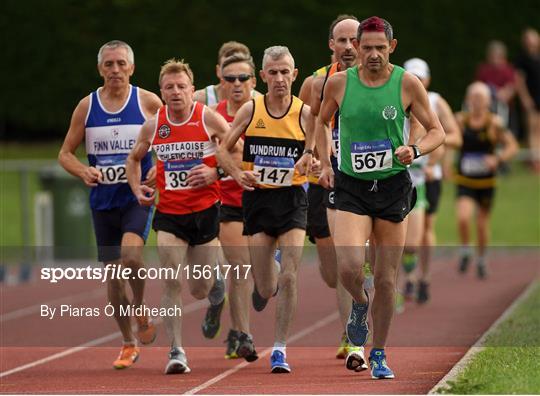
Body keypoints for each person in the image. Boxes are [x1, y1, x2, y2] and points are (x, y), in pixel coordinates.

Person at [316, 16, 445, 379]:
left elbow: (438, 131)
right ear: (355, 47)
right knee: (349, 267)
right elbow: (320, 121)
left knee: (387, 280)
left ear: (392, 46)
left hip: (391, 188)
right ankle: (359, 302)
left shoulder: (407, 83)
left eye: (380, 47)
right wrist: (320, 156)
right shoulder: (340, 83)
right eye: (366, 47)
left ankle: (379, 353)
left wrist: (415, 149)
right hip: (352, 187)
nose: (372, 54)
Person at [58, 40, 162, 370]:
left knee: (132, 256)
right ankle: (128, 342)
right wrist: (82, 169)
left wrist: (158, 166)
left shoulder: (147, 102)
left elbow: (170, 138)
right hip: (103, 201)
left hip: (136, 196)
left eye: (121, 64)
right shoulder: (87, 107)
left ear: (131, 67)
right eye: (109, 64)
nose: (115, 70)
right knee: (114, 279)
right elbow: (65, 153)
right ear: (100, 69)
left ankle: (141, 305)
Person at [126, 59, 228, 374]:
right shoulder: (154, 124)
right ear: (162, 91)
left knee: (199, 288)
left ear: (191, 90)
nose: (175, 92)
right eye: (169, 87)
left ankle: (217, 293)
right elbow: (134, 158)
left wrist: (215, 171)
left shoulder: (207, 118)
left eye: (181, 86)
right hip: (169, 214)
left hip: (205, 212)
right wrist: (136, 188)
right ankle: (177, 351)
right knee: (171, 279)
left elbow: (237, 150)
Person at [218, 46, 313, 373]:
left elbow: (320, 148)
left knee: (289, 276)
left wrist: (313, 159)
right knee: (264, 286)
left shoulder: (304, 113)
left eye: (285, 72)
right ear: (263, 76)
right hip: (258, 201)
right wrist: (236, 172)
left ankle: (280, 348)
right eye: (273, 73)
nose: (280, 78)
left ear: (294, 74)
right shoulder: (250, 109)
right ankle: (266, 272)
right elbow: (222, 149)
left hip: (292, 200)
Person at [298, 14, 362, 360]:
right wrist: (315, 155)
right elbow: (304, 124)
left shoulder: (376, 79)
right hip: (322, 178)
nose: (349, 47)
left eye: (355, 40)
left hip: (360, 178)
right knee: (331, 270)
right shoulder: (315, 83)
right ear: (331, 45)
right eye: (343, 41)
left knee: (349, 257)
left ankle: (352, 332)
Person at [211, 53, 259, 361]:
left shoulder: (266, 111)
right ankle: (243, 335)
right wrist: (217, 168)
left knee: (266, 281)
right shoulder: (210, 115)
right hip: (228, 203)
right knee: (240, 271)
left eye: (243, 79)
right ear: (221, 83)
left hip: (267, 202)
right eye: (230, 79)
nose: (237, 84)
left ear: (254, 82)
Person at [402, 58, 462, 304]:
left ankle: (423, 277)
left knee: (425, 230)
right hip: (405, 172)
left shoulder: (436, 102)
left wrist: (433, 144)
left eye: (421, 77)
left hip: (429, 175)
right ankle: (409, 277)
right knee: (405, 234)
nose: (418, 81)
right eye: (412, 76)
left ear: (427, 79)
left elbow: (455, 136)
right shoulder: (397, 99)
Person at [455, 81, 518, 279]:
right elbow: (449, 142)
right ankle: (466, 250)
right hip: (465, 179)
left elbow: (512, 146)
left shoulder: (494, 123)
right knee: (464, 217)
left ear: (489, 101)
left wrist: (497, 159)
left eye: (481, 98)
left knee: (482, 224)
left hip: (486, 183)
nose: (477, 102)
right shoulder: (460, 121)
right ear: (468, 99)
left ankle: (481, 259)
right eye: (474, 97)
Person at [193, 41, 259, 106]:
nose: (237, 82)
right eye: (226, 66)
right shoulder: (199, 99)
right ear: (218, 70)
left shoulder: (259, 101)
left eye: (243, 77)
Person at [475, 41, 517, 133]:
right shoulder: (484, 69)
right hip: (488, 108)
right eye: (492, 56)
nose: (495, 60)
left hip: (505, 109)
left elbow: (511, 88)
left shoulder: (508, 70)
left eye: (498, 56)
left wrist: (503, 94)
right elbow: (478, 87)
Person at [515, 28, 540, 173]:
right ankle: (534, 160)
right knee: (532, 130)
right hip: (532, 99)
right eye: (528, 39)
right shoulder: (522, 59)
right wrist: (525, 99)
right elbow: (519, 81)